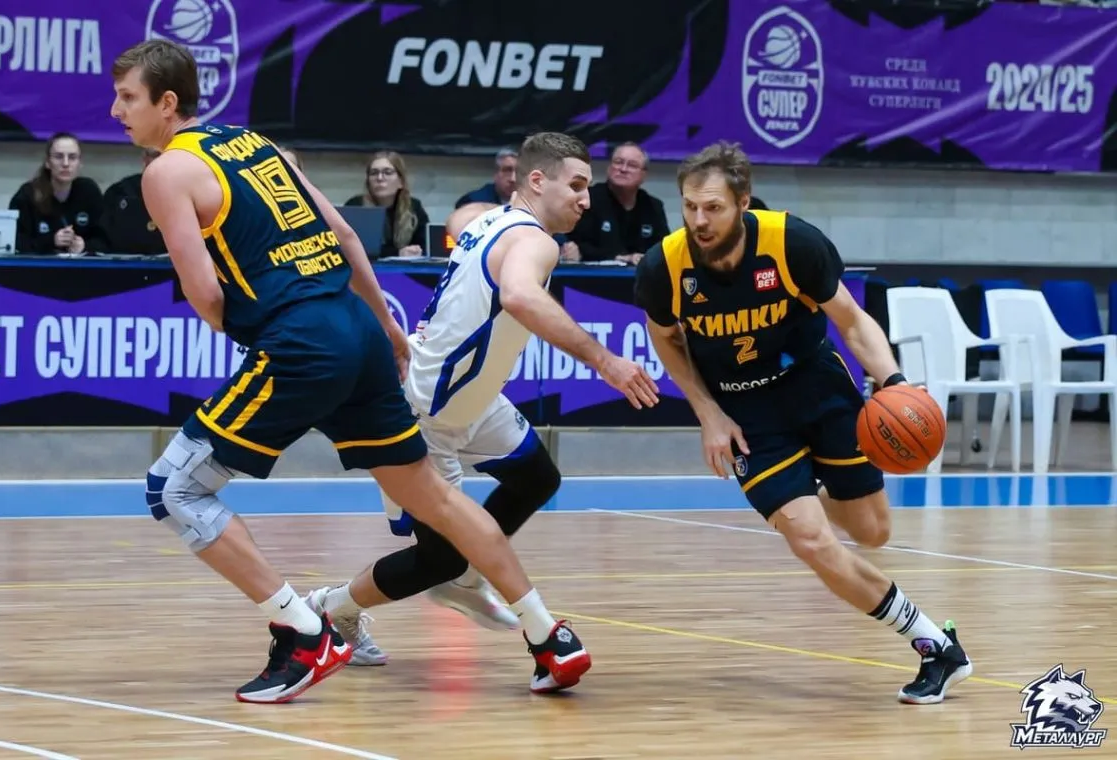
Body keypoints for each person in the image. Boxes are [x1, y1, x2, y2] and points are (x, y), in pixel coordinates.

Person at [111, 39, 593, 703]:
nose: (116, 111)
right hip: (358, 329)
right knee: (437, 501)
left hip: (302, 341)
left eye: (127, 98)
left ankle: (304, 630)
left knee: (174, 489)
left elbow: (205, 295)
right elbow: (341, 233)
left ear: (167, 103)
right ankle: (547, 636)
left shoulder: (166, 172)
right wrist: (388, 328)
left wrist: (260, 334)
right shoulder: (253, 143)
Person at [305, 132, 661, 694]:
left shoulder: (489, 219)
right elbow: (519, 295)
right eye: (576, 185)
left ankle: (467, 575)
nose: (586, 199)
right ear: (536, 181)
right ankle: (330, 610)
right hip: (425, 417)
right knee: (438, 561)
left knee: (537, 477)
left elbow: (465, 257)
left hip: (468, 399)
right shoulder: (535, 242)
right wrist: (605, 360)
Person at [632, 141, 972, 705]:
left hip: (815, 388)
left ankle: (806, 489)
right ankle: (934, 644)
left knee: (873, 532)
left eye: (712, 207)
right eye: (690, 206)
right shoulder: (664, 266)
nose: (699, 220)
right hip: (745, 414)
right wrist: (707, 413)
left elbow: (853, 321)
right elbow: (665, 339)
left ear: (743, 202)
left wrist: (894, 382)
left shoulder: (792, 243)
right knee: (810, 539)